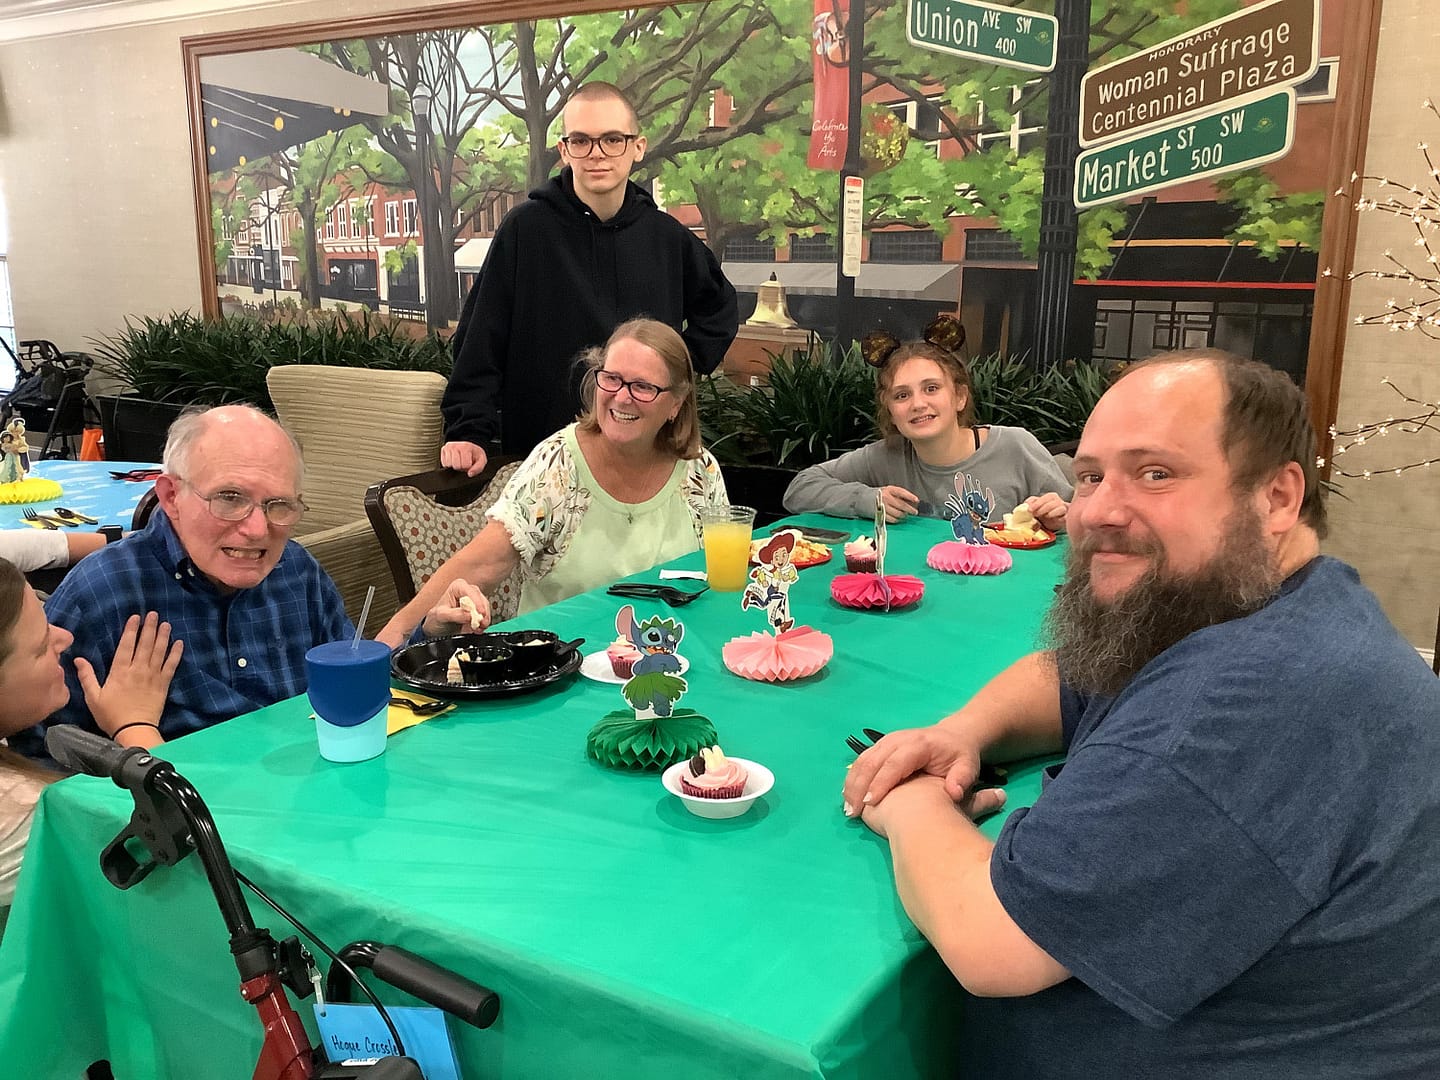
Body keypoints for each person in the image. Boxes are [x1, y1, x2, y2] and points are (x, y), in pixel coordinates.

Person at [843, 350, 1440, 1077]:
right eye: (1090, 475)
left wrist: (905, 800)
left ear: (1278, 498)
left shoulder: (1241, 707)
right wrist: (958, 732)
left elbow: (989, 941)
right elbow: (1068, 674)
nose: (1098, 510)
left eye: (1155, 473)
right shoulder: (1280, 603)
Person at [8, 405, 353, 753]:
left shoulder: (298, 571)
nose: (257, 529)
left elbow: (346, 691)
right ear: (171, 496)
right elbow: (40, 764)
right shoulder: (102, 594)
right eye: (230, 499)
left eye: (278, 504)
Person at [440, 81, 739, 477]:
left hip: (646, 454)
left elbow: (719, 310)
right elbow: (480, 340)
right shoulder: (524, 231)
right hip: (540, 456)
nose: (597, 154)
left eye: (613, 139)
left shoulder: (668, 238)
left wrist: (669, 373)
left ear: (638, 146)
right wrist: (467, 431)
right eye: (581, 141)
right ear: (564, 150)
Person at [379, 319, 727, 644]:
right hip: (559, 670)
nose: (622, 397)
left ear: (676, 405)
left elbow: (722, 578)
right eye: (612, 379)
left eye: (643, 387)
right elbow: (481, 563)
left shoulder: (700, 470)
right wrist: (387, 645)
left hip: (673, 657)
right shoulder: (558, 463)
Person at [0, 557, 180, 931]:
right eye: (39, 646)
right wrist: (136, 726)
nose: (65, 638)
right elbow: (198, 849)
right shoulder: (19, 810)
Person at [783, 317, 1072, 528]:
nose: (918, 403)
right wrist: (865, 499)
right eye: (902, 395)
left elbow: (1083, 521)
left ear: (959, 396)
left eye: (931, 388)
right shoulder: (883, 456)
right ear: (890, 409)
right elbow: (799, 489)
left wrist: (1061, 516)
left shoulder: (1015, 446)